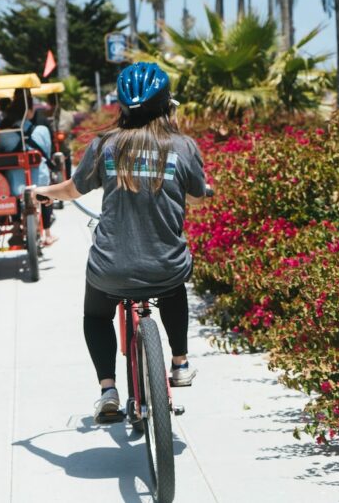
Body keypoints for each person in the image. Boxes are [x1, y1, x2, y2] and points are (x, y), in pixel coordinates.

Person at [32, 62, 209, 423]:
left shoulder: (105, 146)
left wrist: (43, 193)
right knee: (173, 283)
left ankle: (108, 388)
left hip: (111, 269)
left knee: (95, 314)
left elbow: (73, 189)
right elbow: (198, 197)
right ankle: (180, 362)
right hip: (164, 266)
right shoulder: (183, 146)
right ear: (166, 104)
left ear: (123, 107)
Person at [0, 89, 57, 246]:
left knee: (13, 188)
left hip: (15, 184)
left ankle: (16, 225)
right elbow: (48, 153)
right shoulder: (42, 130)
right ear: (30, 111)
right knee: (46, 191)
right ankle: (48, 232)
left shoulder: (4, 134)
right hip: (40, 180)